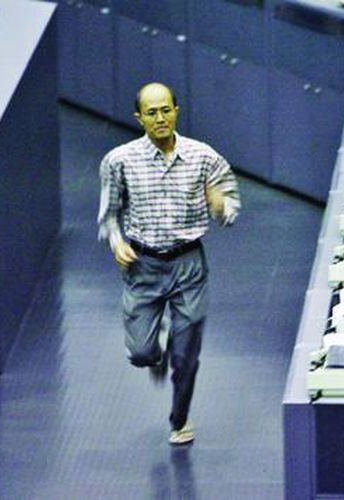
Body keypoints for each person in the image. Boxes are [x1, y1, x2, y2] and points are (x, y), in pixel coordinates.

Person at [97, 82, 240, 445]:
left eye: (165, 110)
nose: (160, 118)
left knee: (186, 355)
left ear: (176, 110)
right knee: (141, 353)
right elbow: (109, 215)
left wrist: (220, 205)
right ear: (139, 118)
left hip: (188, 264)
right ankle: (155, 355)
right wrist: (117, 243)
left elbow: (231, 207)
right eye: (151, 112)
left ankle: (180, 419)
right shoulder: (118, 161)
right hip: (142, 265)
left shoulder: (204, 157)